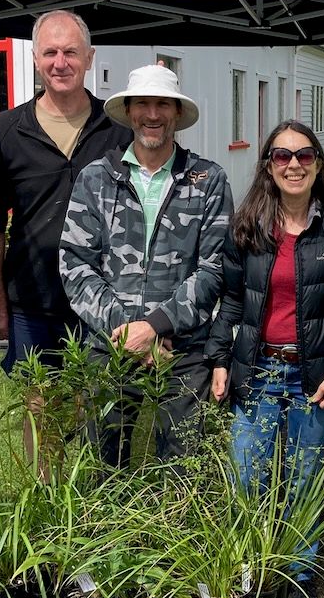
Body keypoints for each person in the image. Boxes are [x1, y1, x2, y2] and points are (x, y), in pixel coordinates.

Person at [206, 120, 324, 598]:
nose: (293, 164)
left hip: (315, 376)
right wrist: (219, 357)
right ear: (269, 165)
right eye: (282, 156)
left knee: (303, 481)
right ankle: (251, 573)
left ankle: (299, 578)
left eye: (304, 155)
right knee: (247, 476)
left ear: (318, 164)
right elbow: (232, 299)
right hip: (258, 371)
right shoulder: (250, 225)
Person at [59, 65, 232, 464]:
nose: (152, 114)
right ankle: (102, 528)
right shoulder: (97, 179)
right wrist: (128, 333)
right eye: (143, 104)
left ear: (176, 113)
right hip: (111, 346)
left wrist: (155, 327)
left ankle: (178, 526)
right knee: (103, 465)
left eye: (162, 105)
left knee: (185, 467)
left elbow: (214, 269)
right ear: (129, 111)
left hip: (183, 349)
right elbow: (75, 264)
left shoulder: (207, 180)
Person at [0, 11, 133, 374]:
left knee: (96, 409)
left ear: (89, 59)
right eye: (50, 53)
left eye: (71, 53)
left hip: (104, 301)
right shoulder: (6, 131)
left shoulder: (118, 131)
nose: (60, 63)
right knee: (40, 411)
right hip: (32, 303)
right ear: (36, 59)